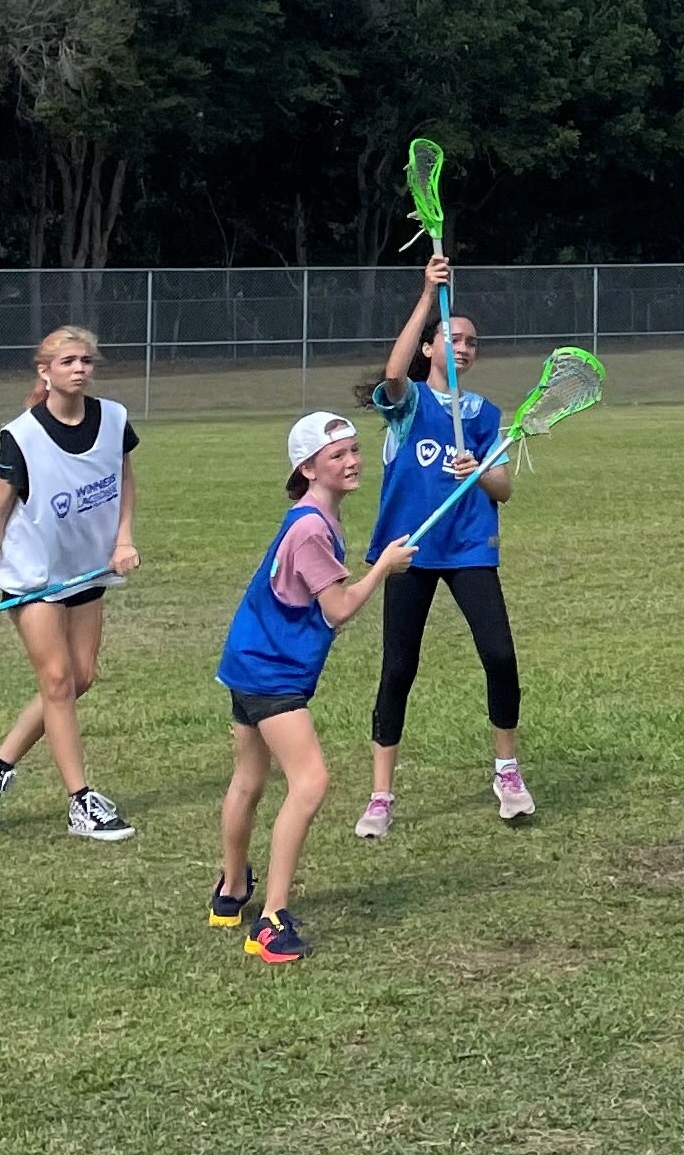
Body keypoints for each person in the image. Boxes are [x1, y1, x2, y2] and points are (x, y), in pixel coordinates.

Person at [216, 413, 417, 962]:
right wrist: (384, 569)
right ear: (307, 468)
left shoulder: (314, 518)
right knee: (311, 782)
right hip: (270, 672)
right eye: (337, 456)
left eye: (354, 450)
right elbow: (339, 608)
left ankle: (231, 893)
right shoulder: (309, 528)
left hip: (247, 660)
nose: (352, 461)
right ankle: (270, 921)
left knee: (248, 782)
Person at [355, 254, 533, 836]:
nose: (462, 347)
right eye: (451, 339)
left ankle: (507, 770)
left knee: (500, 656)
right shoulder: (408, 407)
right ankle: (381, 796)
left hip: (469, 549)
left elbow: (503, 488)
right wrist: (429, 296)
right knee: (398, 668)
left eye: (471, 342)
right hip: (409, 550)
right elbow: (393, 371)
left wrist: (475, 471)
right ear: (431, 349)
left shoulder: (483, 414)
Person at [0, 325, 142, 842]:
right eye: (68, 362)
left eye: (86, 361)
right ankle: (81, 802)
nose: (80, 369)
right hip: (33, 576)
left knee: (80, 677)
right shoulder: (21, 436)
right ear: (45, 371)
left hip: (86, 568)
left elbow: (124, 478)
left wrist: (123, 538)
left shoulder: (114, 419)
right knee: (58, 680)